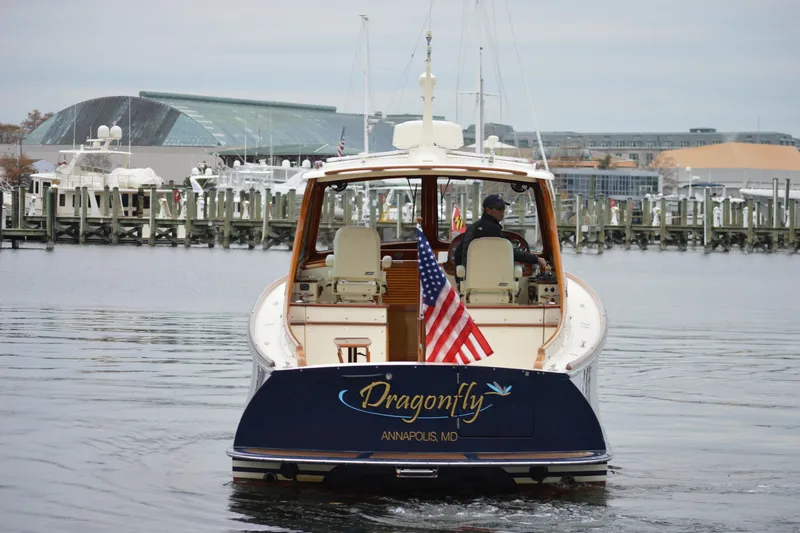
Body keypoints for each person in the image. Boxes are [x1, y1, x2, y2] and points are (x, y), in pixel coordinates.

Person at [454, 194, 548, 272]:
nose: (502, 211)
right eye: (499, 208)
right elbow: (508, 251)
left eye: (503, 208)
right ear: (488, 210)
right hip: (493, 278)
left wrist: (459, 280)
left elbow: (458, 253)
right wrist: (536, 259)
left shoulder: (472, 228)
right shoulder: (492, 229)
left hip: (471, 279)